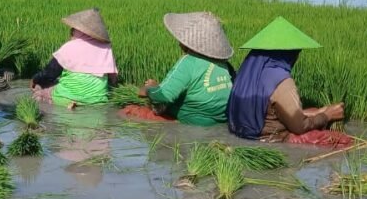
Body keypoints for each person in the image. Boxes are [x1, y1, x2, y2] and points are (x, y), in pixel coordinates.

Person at [227, 16, 348, 145]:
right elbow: (299, 127)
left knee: (313, 110)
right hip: (271, 139)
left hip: (243, 133)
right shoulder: (281, 81)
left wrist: (318, 112)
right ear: (289, 54)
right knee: (342, 140)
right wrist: (327, 115)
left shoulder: (246, 73)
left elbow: (267, 111)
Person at [134, 12, 234, 125]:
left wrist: (148, 90)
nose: (179, 42)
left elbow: (164, 96)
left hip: (193, 122)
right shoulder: (225, 64)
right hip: (221, 121)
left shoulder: (189, 62)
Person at [31, 9, 117, 106]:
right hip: (98, 101)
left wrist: (35, 80)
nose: (71, 31)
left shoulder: (70, 47)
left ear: (80, 31)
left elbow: (49, 74)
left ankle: (69, 102)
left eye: (74, 29)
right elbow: (113, 80)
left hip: (66, 98)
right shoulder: (106, 49)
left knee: (39, 92)